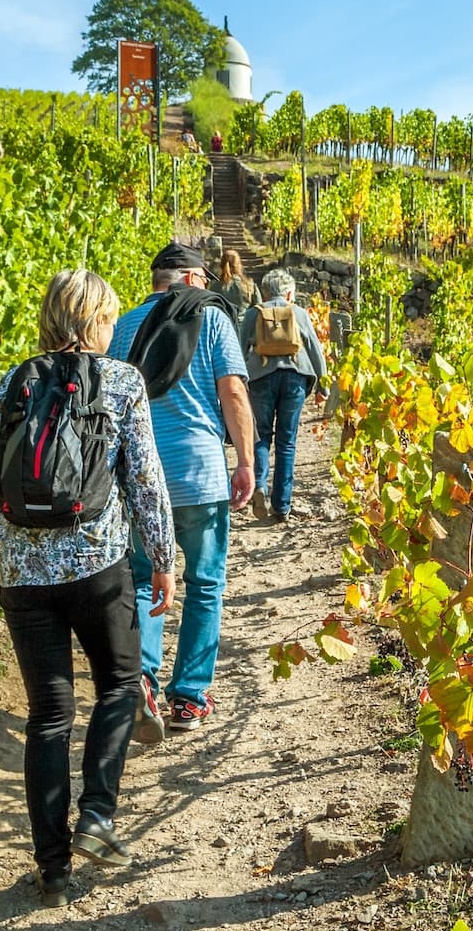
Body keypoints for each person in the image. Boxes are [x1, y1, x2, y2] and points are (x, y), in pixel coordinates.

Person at [0, 270, 177, 907]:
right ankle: (98, 816)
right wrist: (163, 558)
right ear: (95, 321)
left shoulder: (14, 381)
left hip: (24, 576)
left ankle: (52, 868)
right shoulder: (122, 382)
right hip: (99, 568)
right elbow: (145, 481)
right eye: (106, 317)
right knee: (119, 683)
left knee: (48, 718)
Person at [110, 243, 256, 734]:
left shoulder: (124, 326)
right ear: (193, 279)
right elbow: (233, 391)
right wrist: (246, 460)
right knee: (206, 582)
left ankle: (142, 681)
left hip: (141, 477)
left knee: (144, 576)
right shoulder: (212, 319)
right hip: (199, 471)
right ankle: (190, 698)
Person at [237, 269, 328, 524]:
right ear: (289, 293)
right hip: (295, 377)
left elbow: (240, 346)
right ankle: (282, 506)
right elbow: (314, 348)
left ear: (264, 292)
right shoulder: (298, 312)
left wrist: (237, 381)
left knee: (261, 436)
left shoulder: (254, 313)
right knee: (287, 442)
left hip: (261, 377)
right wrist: (323, 383)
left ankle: (260, 486)